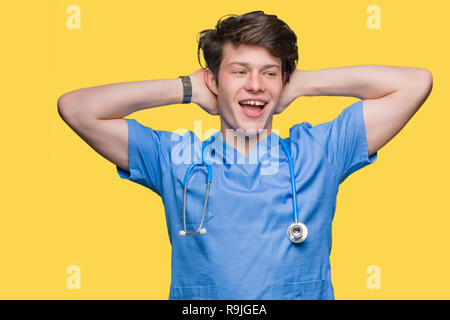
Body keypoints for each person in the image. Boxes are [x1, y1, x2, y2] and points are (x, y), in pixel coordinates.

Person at [57, 11, 433, 300]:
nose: (255, 85)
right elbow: (76, 108)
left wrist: (302, 82)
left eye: (269, 73)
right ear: (214, 81)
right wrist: (188, 87)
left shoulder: (321, 152)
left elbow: (415, 83)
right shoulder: (175, 158)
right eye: (239, 72)